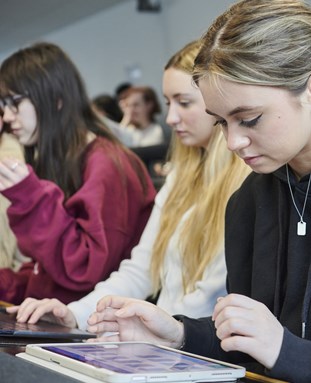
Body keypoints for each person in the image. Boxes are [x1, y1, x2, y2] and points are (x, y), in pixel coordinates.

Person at [54, 1, 311, 382]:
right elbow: (247, 343)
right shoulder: (249, 201)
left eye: (249, 118)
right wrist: (180, 334)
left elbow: (277, 348)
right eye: (222, 123)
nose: (233, 142)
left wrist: (287, 351)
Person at [7, 41, 249, 331]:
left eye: (183, 102)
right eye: (168, 102)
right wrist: (75, 314)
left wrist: (161, 334)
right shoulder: (179, 179)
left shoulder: (244, 184)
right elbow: (140, 270)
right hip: (173, 342)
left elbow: (209, 296)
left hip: (194, 348)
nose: (170, 118)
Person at [0, 42, 155, 305]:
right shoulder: (68, 159)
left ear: (56, 99)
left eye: (15, 103)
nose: (8, 116)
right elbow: (46, 269)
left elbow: (84, 269)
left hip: (91, 328)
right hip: (61, 318)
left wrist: (32, 197)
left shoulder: (107, 164)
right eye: (4, 105)